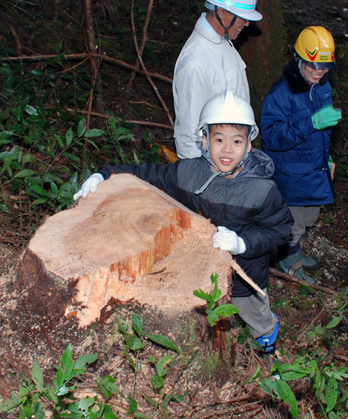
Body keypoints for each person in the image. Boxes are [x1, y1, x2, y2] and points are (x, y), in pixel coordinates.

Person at [74, 91, 293, 354]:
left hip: (244, 276)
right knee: (196, 317)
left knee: (255, 317)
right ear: (204, 140)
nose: (227, 149)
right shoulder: (187, 173)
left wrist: (242, 243)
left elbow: (280, 229)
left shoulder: (262, 189)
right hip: (197, 268)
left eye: (237, 141)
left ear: (248, 145)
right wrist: (104, 175)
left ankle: (268, 345)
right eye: (219, 139)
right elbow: (147, 175)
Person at [261, 26, 342, 284]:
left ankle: (295, 250)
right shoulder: (280, 95)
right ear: (299, 59)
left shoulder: (322, 87)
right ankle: (289, 262)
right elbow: (273, 138)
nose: (319, 71)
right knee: (294, 223)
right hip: (291, 175)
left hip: (315, 169)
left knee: (311, 217)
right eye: (313, 65)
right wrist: (311, 122)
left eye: (325, 65)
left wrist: (327, 158)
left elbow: (324, 131)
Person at [172, 0, 262, 160]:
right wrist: (195, 179)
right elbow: (189, 133)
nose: (246, 23)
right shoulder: (196, 63)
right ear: (221, 12)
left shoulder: (223, 42)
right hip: (212, 171)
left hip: (230, 162)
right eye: (242, 17)